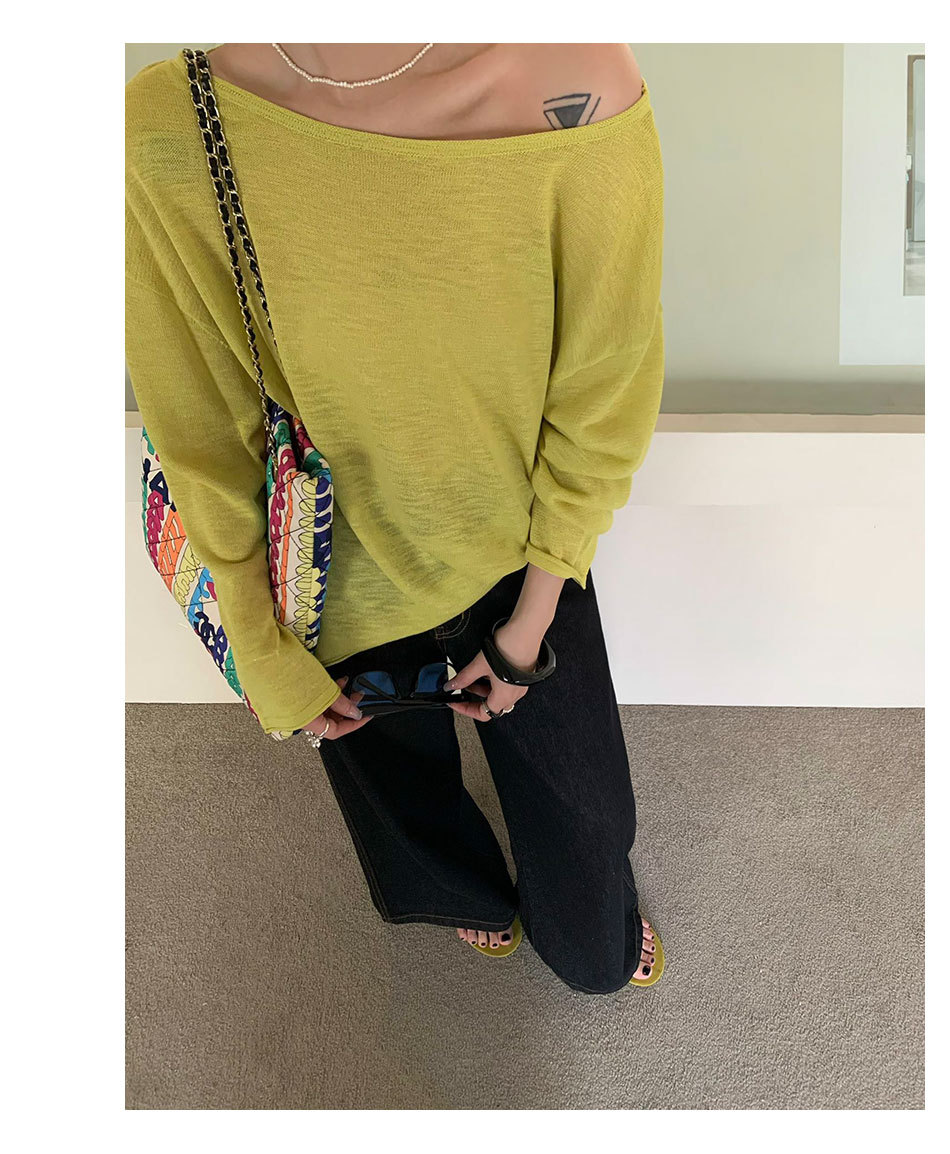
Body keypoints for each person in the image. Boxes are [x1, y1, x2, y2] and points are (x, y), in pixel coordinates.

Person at [126, 42, 665, 994]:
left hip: (517, 562)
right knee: (400, 804)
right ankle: (468, 899)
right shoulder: (173, 117)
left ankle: (590, 937)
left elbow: (602, 387)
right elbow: (200, 431)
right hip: (325, 584)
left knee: (584, 832)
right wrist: (260, 649)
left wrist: (533, 619)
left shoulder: (577, 77)